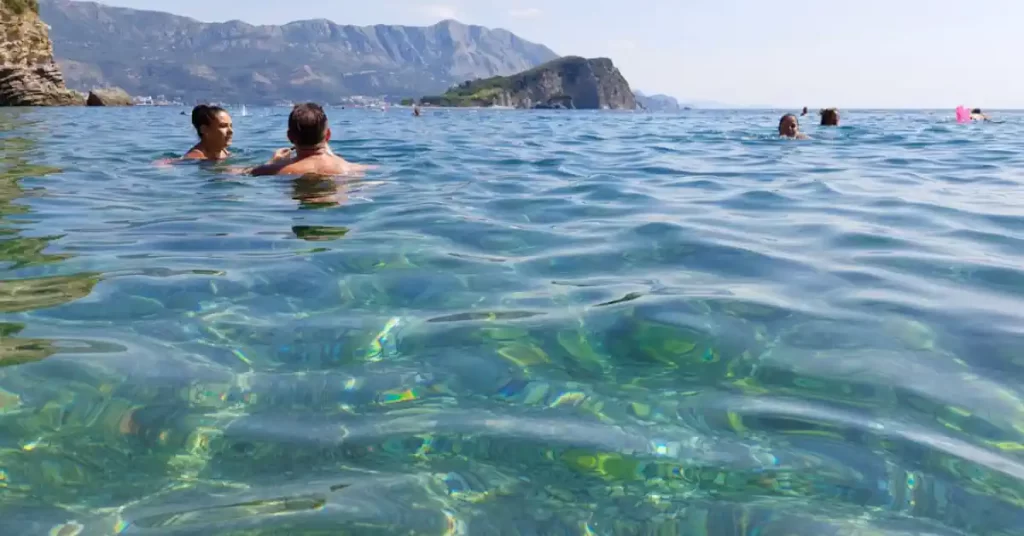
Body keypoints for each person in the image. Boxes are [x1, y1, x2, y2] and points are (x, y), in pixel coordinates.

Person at [252, 103, 370, 176]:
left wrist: (272, 162)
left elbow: (235, 173)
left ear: (289, 137)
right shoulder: (351, 169)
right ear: (328, 135)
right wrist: (333, 157)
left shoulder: (272, 170)